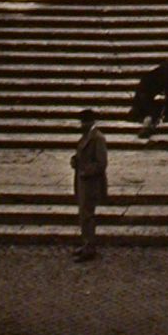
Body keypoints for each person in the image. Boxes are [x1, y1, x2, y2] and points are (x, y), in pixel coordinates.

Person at [70, 107, 108, 261]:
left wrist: (85, 171)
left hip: (91, 182)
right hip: (82, 181)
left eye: (83, 122)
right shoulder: (86, 136)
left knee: (88, 215)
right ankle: (86, 243)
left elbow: (101, 163)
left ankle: (89, 247)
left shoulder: (97, 138)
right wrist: (75, 160)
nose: (81, 125)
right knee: (83, 215)